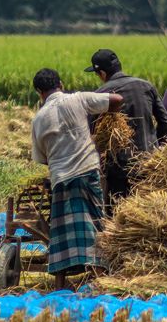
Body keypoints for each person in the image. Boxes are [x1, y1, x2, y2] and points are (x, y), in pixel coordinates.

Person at [31, 68, 123, 288]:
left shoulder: (39, 119)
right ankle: (98, 277)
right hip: (87, 171)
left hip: (61, 178)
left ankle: (60, 284)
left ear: (39, 92)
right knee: (93, 222)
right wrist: (104, 122)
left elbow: (42, 158)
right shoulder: (78, 99)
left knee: (61, 231)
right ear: (60, 84)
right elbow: (117, 99)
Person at [85, 48, 167, 211]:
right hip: (149, 162)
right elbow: (166, 123)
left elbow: (91, 132)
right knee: (148, 210)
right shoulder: (146, 86)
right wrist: (152, 143)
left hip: (118, 167)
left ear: (102, 73)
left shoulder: (101, 94)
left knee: (118, 212)